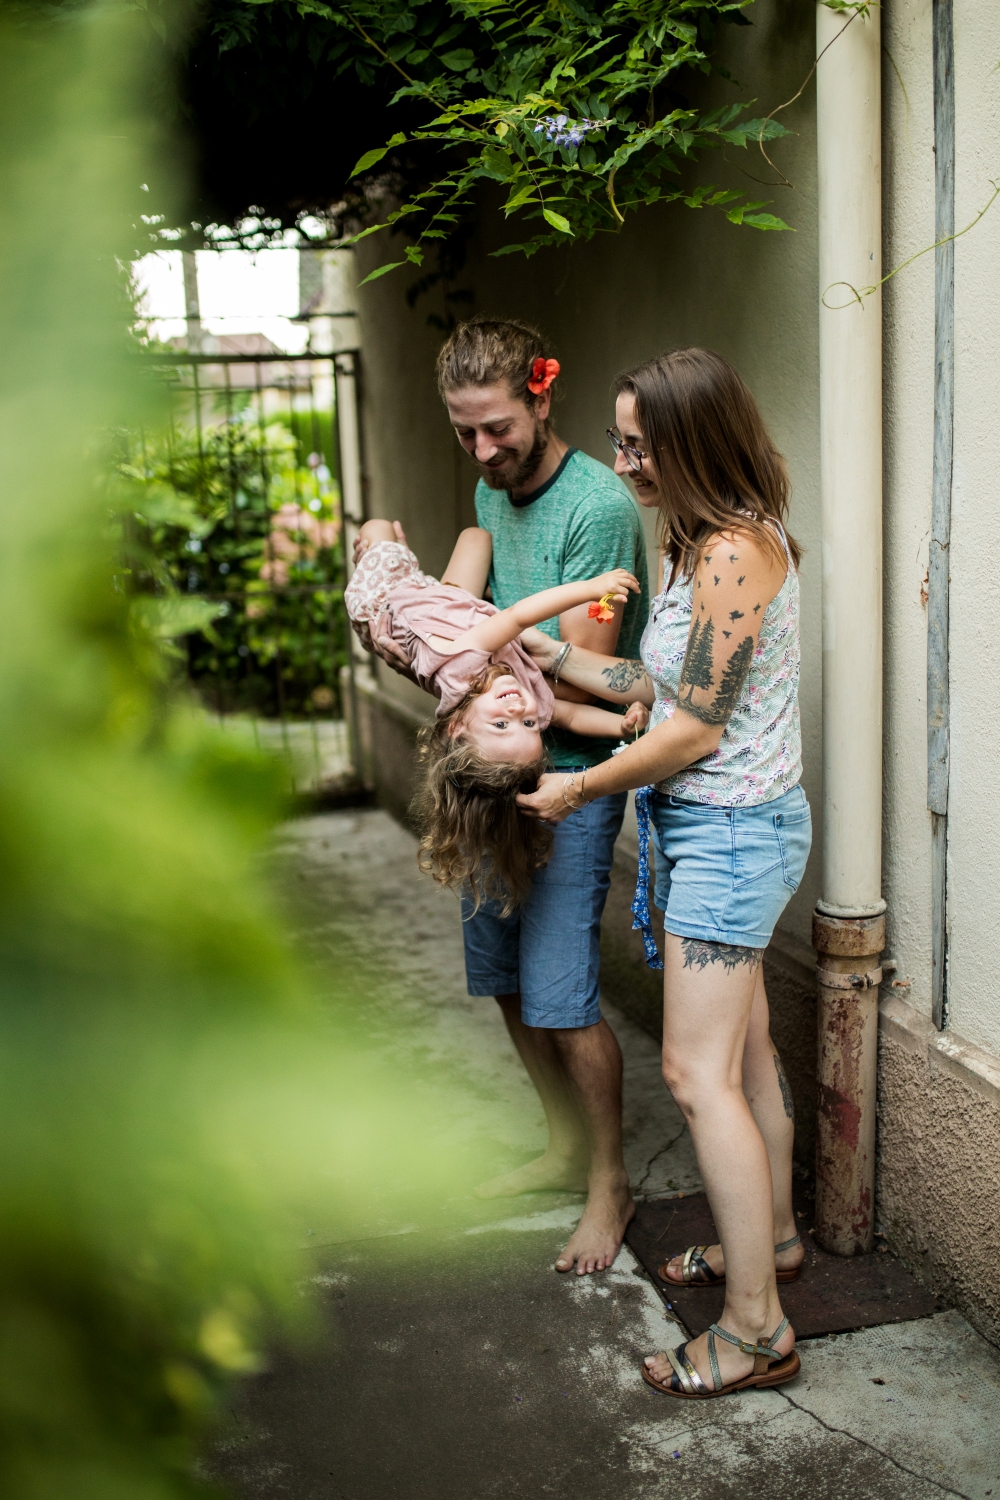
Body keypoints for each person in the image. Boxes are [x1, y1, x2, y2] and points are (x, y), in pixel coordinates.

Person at [518, 347, 811, 1398]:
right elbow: (660, 685)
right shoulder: (697, 546)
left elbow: (690, 730)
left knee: (694, 1074)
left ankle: (753, 1331)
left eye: (640, 445)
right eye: (619, 440)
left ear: (690, 441)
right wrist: (545, 653)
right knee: (745, 1055)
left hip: (730, 838)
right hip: (718, 832)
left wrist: (577, 789)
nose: (624, 462)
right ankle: (768, 1245)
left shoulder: (733, 553)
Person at [363, 317, 650, 1277]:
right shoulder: (492, 489)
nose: (483, 452)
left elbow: (590, 682)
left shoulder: (597, 508)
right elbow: (461, 639)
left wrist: (473, 644)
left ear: (541, 397)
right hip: (485, 767)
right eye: (464, 434)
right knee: (505, 977)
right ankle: (561, 1145)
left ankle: (609, 1179)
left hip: (563, 771)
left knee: (564, 994)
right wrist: (426, 656)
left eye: (498, 429)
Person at [345, 519, 646, 910]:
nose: (518, 709)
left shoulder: (462, 667)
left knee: (377, 528)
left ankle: (385, 547)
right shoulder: (518, 697)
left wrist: (591, 589)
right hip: (445, 603)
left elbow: (519, 616)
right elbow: (569, 717)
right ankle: (405, 552)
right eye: (527, 724)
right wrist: (622, 726)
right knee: (476, 536)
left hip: (387, 602)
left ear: (455, 725)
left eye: (501, 724)